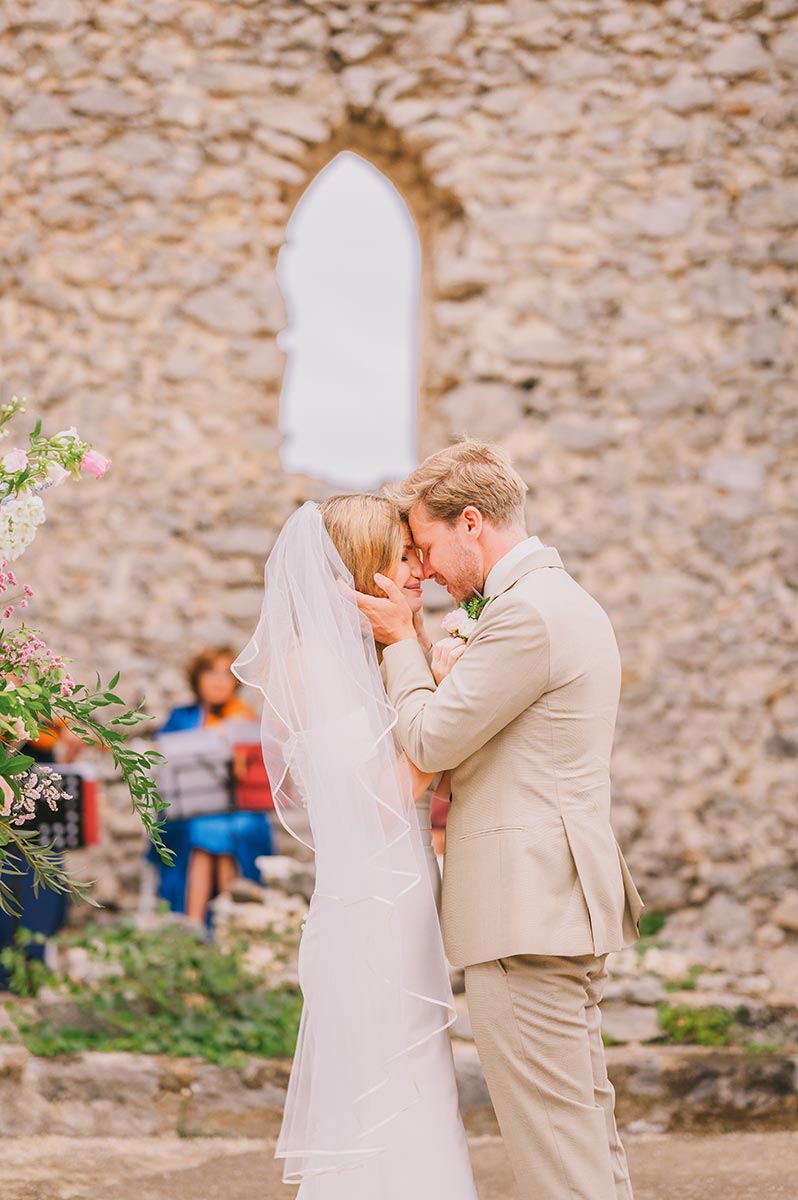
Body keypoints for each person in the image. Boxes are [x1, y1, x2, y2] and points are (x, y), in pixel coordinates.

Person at [356, 440, 644, 1200]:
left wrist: (400, 641)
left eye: (425, 545)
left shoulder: (527, 616)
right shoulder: (554, 602)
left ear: (472, 522)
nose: (428, 569)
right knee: (582, 1131)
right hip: (553, 904)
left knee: (558, 1153)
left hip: (526, 910)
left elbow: (427, 739)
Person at [234, 496, 478, 1199]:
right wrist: (450, 707)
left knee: (419, 1083)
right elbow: (373, 804)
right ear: (358, 567)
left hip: (403, 901)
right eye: (402, 558)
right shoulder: (308, 668)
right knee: (383, 1094)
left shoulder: (369, 663)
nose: (419, 572)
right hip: (368, 911)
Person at [152, 647, 273, 922]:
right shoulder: (180, 717)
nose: (219, 681)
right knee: (206, 832)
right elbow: (162, 760)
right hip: (188, 810)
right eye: (211, 672)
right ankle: (213, 924)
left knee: (223, 832)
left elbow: (251, 776)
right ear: (197, 679)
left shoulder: (244, 718)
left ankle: (208, 922)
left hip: (236, 809)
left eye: (226, 674)